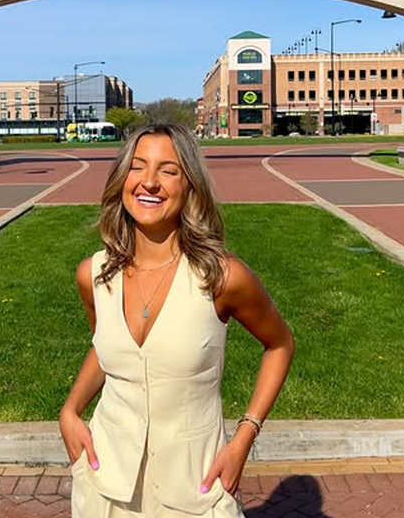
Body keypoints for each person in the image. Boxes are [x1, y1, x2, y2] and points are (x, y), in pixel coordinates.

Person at [60, 122, 295, 517]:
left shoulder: (221, 277)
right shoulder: (94, 274)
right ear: (122, 179)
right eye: (137, 167)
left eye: (168, 171)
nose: (149, 182)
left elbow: (280, 344)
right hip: (106, 486)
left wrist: (244, 436)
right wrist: (70, 410)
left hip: (196, 490)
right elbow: (106, 350)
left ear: (189, 186)